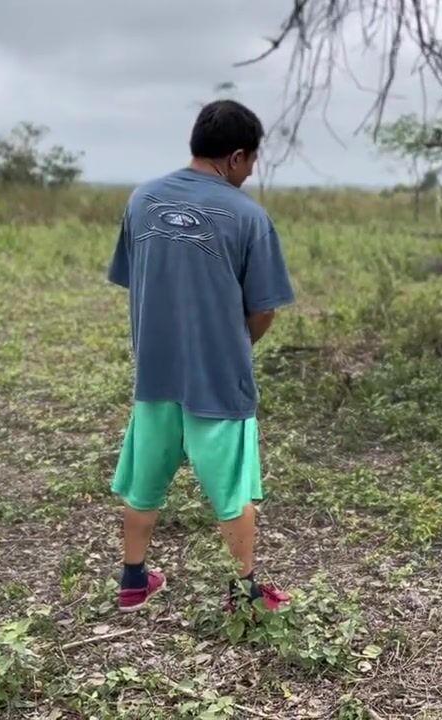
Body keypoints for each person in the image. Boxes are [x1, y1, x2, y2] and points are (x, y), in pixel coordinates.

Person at [107, 100, 295, 613]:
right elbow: (263, 309)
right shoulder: (249, 216)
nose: (251, 171)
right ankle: (244, 594)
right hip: (218, 379)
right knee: (233, 491)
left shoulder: (142, 201)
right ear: (236, 157)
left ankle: (133, 581)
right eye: (251, 160)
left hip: (154, 375)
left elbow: (135, 278)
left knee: (144, 482)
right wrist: (231, 345)